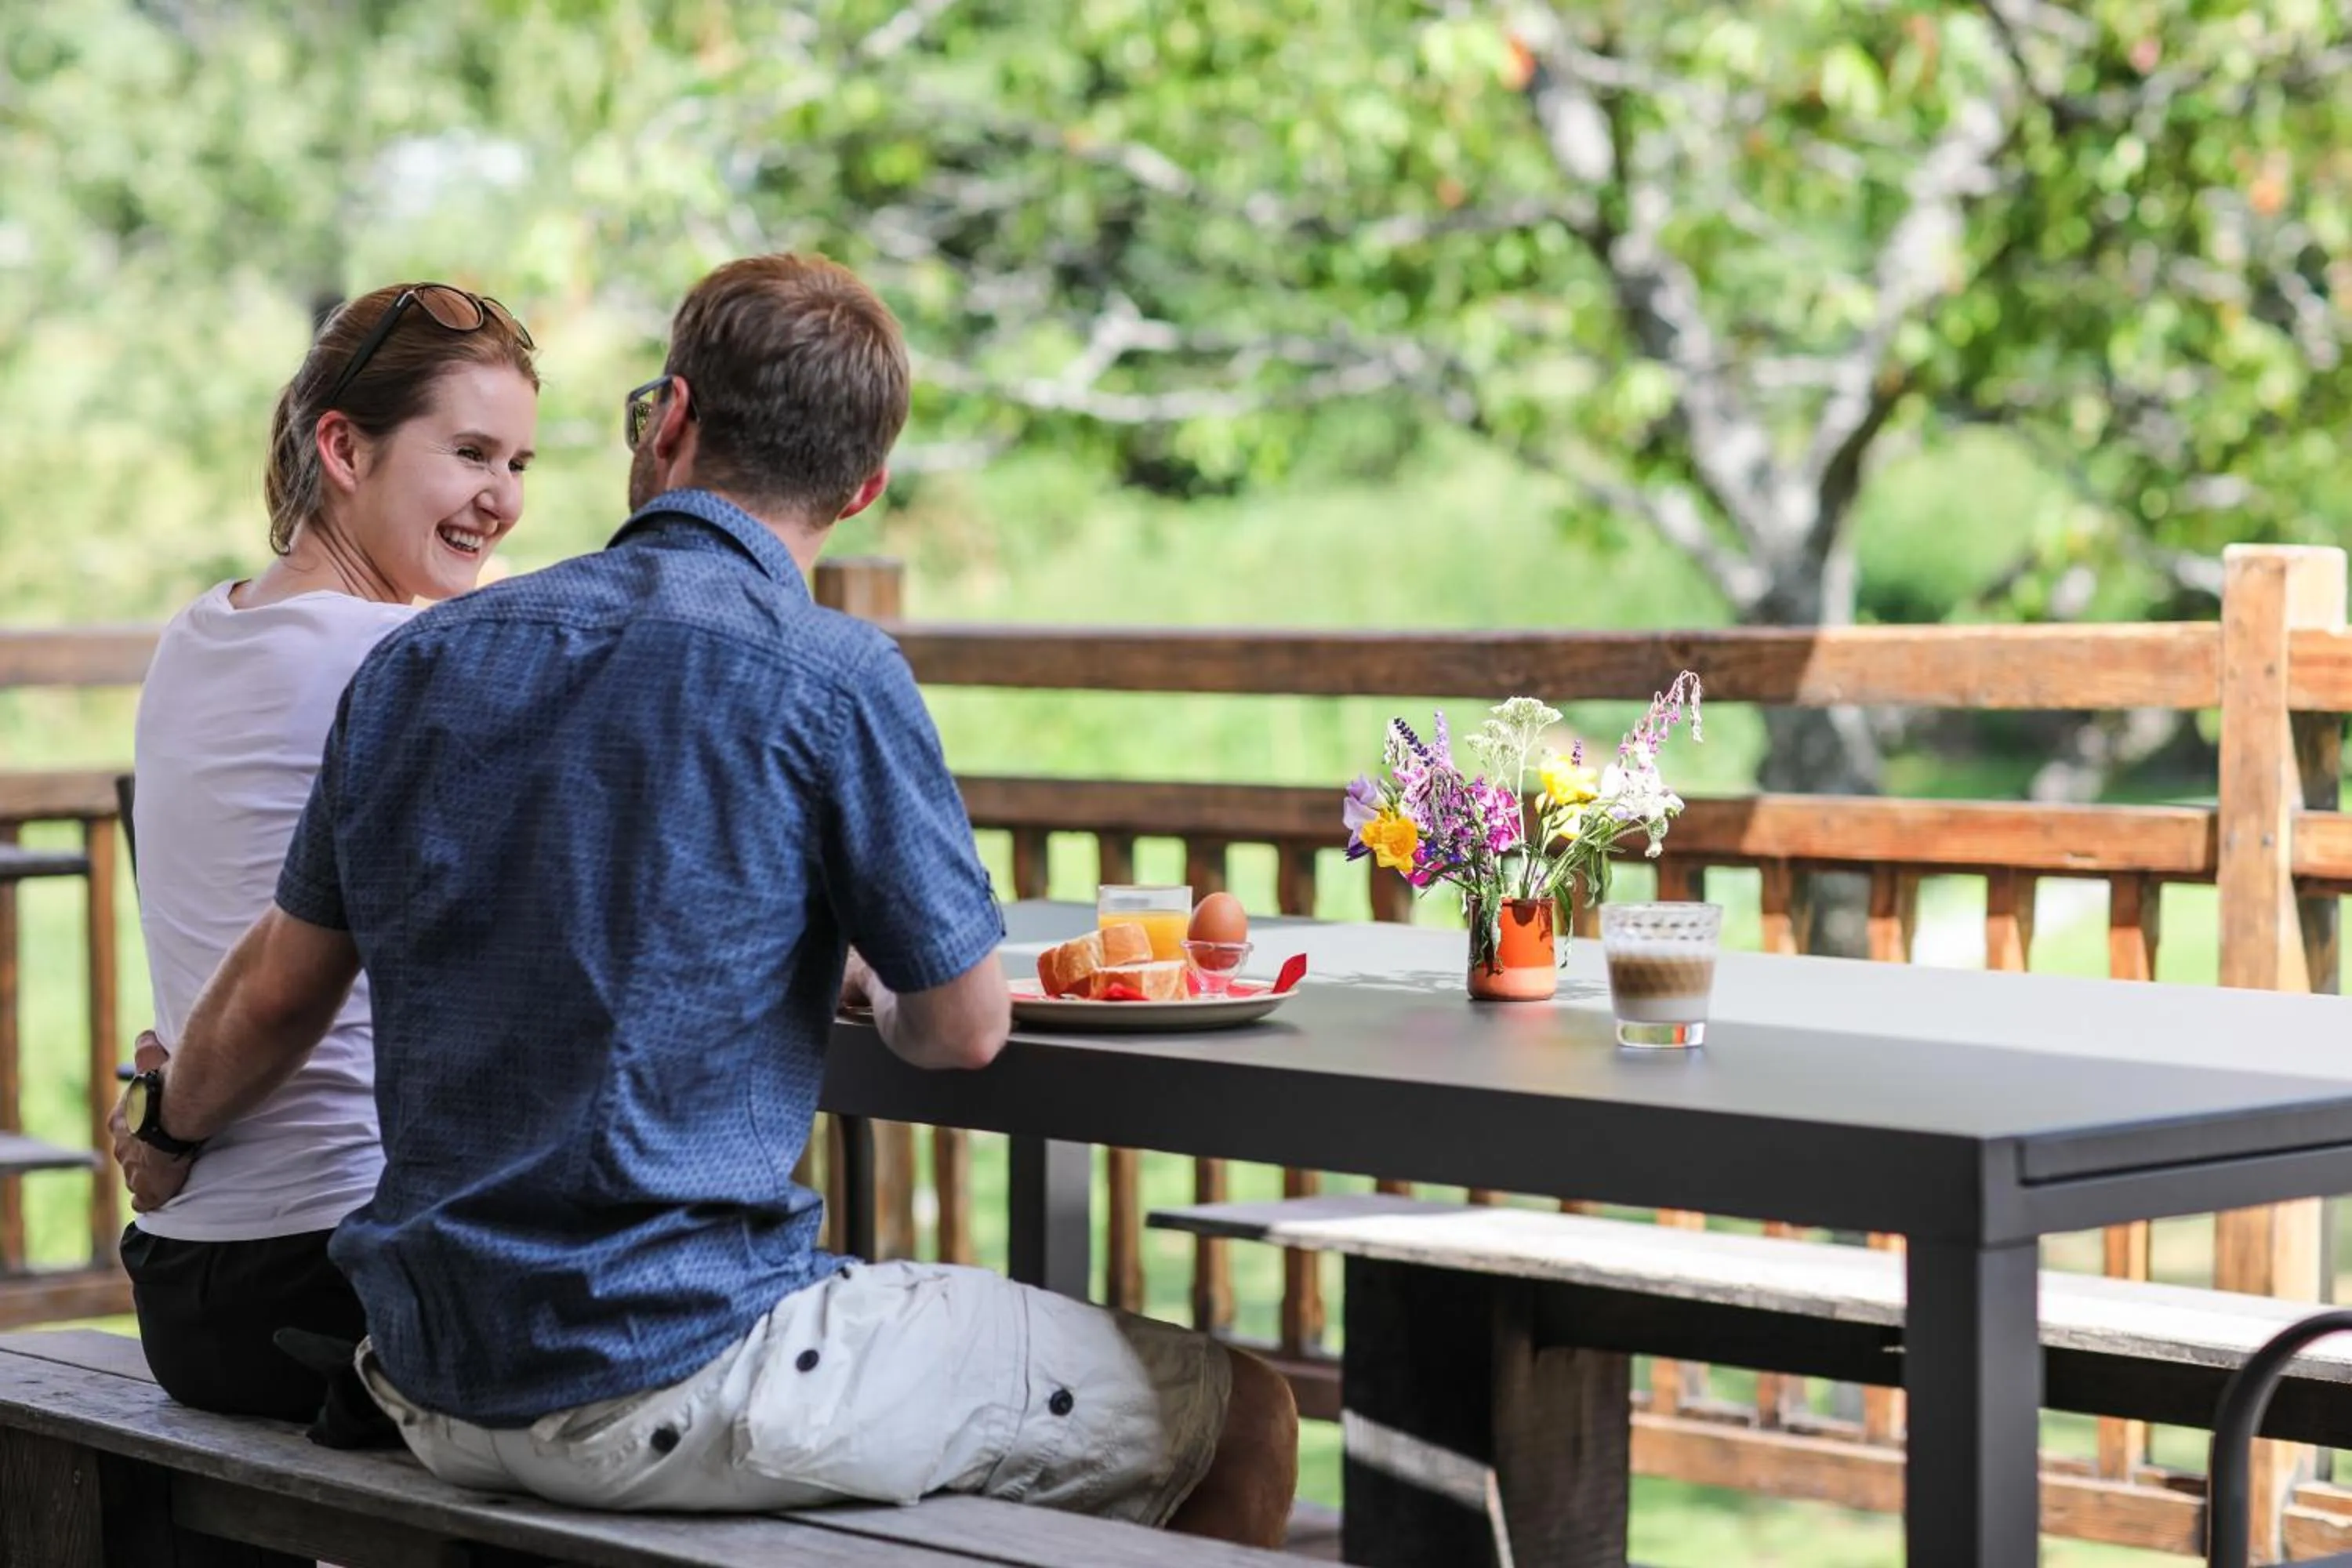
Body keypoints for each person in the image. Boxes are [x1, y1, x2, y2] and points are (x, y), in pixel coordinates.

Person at [114, 253, 1299, 1547]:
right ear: (865, 487)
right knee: (1242, 1416)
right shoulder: (834, 672)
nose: (506, 493)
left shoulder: (423, 660)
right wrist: (872, 979)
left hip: (422, 1364)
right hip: (659, 1370)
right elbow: (963, 1029)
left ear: (669, 419)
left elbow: (288, 978)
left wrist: (163, 1125)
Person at [113, 281, 537, 1428]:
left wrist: (162, 1117)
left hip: (189, 1286)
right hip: (349, 1281)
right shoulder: (408, 661)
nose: (502, 499)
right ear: (344, 449)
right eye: (469, 453)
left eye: (518, 464)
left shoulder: (199, 632)